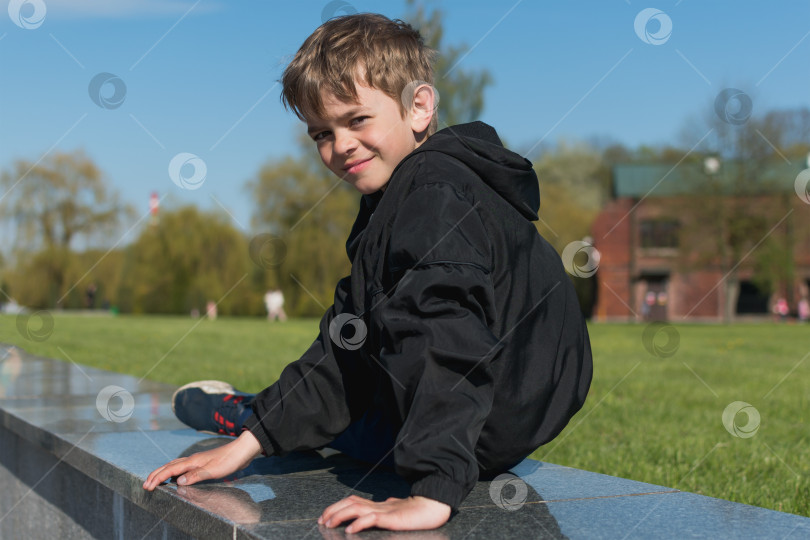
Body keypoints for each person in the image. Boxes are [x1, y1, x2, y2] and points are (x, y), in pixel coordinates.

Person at [143, 13, 592, 533]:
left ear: (420, 106)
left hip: (478, 419)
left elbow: (447, 338)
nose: (341, 147)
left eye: (357, 120)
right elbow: (348, 339)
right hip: (506, 410)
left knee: (345, 427)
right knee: (339, 392)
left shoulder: (433, 196)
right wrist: (250, 448)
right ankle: (258, 423)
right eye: (322, 135)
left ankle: (236, 410)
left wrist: (432, 489)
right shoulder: (415, 191)